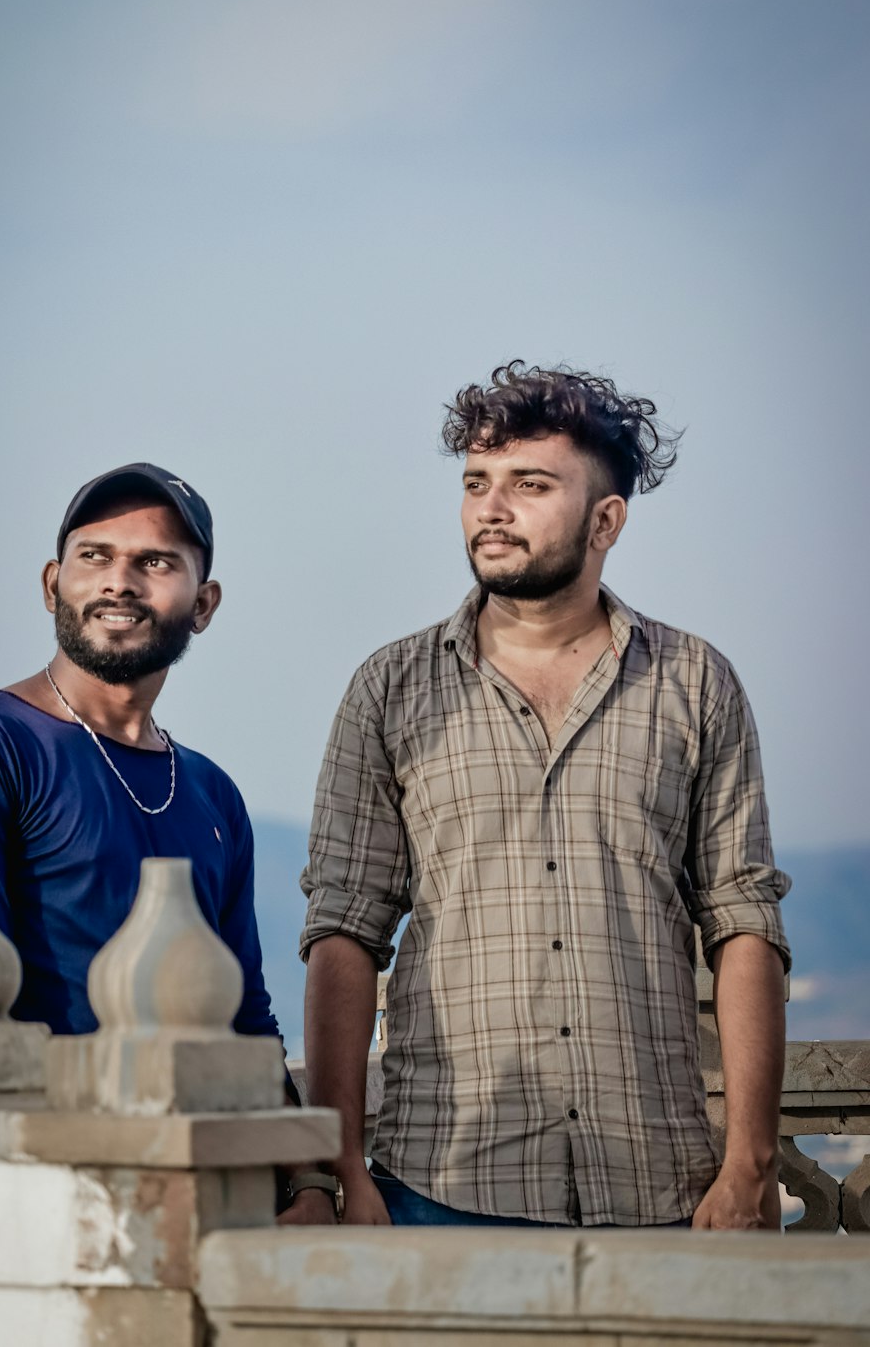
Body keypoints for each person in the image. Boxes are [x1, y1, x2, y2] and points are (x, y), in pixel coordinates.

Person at [290, 363, 791, 1230]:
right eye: (477, 484)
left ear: (607, 519)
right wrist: (338, 1167)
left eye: (529, 485)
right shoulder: (391, 688)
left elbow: (743, 921)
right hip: (438, 1181)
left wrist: (748, 1161)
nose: (492, 508)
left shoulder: (695, 683)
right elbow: (345, 929)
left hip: (657, 1185)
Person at [0, 463, 283, 1050]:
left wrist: (298, 1136)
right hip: (46, 1134)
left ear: (203, 604)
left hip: (193, 1133)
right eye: (95, 556)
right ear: (53, 585)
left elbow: (246, 1017)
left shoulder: (213, 793)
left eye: (155, 562)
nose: (119, 582)